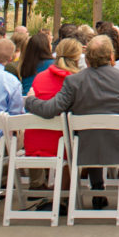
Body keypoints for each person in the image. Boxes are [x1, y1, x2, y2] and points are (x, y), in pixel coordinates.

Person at [25, 36, 119, 204]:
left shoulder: (74, 81)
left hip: (84, 147)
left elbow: (51, 109)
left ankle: (97, 187)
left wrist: (31, 100)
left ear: (86, 59)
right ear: (111, 55)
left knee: (91, 134)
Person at [24, 38, 81, 169]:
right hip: (64, 145)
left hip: (34, 143)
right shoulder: (76, 80)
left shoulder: (40, 77)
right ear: (78, 57)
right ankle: (65, 186)